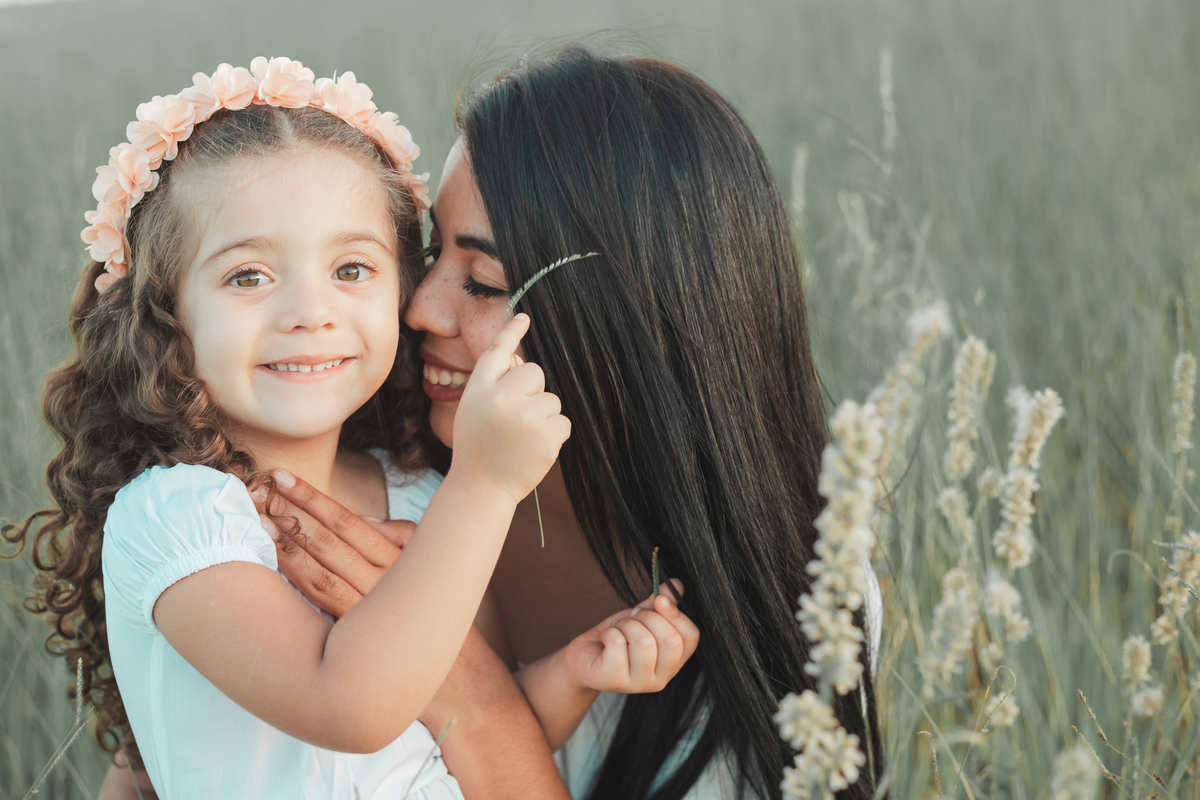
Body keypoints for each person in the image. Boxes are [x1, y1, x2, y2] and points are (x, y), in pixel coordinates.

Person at [3, 57, 698, 800]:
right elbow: (352, 709)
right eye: (248, 276)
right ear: (165, 314)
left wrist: (573, 675)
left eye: (352, 269)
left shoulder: (422, 495)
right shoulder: (182, 519)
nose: (310, 312)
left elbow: (472, 725)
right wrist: (488, 486)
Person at [232, 47, 887, 799]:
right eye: (428, 254)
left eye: (482, 282)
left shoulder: (803, 605)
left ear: (631, 323)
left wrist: (476, 702)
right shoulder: (346, 500)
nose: (421, 309)